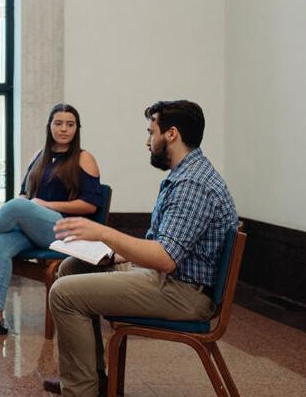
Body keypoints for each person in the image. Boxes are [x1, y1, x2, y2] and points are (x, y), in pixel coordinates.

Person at [44, 100, 239, 397]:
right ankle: (93, 379)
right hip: (175, 280)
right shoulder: (187, 175)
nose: (147, 141)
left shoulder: (193, 184)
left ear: (171, 134)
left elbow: (165, 259)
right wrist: (105, 251)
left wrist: (103, 232)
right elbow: (161, 245)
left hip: (184, 293)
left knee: (64, 293)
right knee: (72, 267)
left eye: (151, 132)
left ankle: (82, 391)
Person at [0, 104, 102, 339]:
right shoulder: (40, 156)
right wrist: (26, 203)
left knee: (17, 206)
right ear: (49, 127)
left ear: (77, 129)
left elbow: (90, 205)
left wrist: (45, 205)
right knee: (0, 240)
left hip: (67, 230)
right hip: (38, 228)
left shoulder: (84, 158)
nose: (63, 129)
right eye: (58, 123)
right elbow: (25, 195)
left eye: (70, 125)